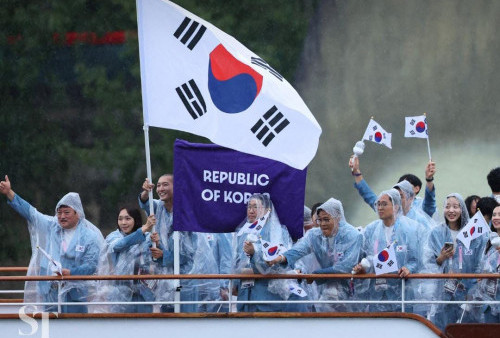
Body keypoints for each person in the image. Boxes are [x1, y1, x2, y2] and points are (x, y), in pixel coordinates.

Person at [0, 175, 104, 313]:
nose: (62, 216)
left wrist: (71, 273)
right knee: (50, 331)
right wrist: (9, 193)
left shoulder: (90, 236)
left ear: (77, 213)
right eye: (59, 212)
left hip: (75, 296)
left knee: (76, 331)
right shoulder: (52, 226)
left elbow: (92, 266)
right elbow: (31, 213)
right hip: (50, 292)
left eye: (66, 212)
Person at [268, 198, 362, 312]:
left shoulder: (353, 235)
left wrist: (317, 274)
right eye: (319, 220)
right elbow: (299, 249)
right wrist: (281, 257)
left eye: (326, 219)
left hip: (351, 290)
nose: (322, 224)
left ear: (338, 218)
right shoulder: (315, 235)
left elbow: (346, 266)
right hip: (323, 289)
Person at [422, 193, 488, 329]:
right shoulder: (436, 233)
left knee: (468, 330)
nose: (451, 210)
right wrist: (441, 258)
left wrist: (472, 290)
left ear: (462, 209)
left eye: (455, 207)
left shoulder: (474, 233)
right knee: (443, 329)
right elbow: (427, 264)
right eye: (447, 207)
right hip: (443, 293)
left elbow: (480, 264)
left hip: (468, 294)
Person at [232, 194, 303, 312]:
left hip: (266, 294)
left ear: (266, 210)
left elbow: (279, 262)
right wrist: (235, 283)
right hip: (245, 292)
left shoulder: (278, 232)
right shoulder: (242, 232)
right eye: (249, 207)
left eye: (255, 207)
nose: (251, 211)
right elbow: (236, 259)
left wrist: (255, 253)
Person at [352, 189, 418, 312]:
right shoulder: (371, 229)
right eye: (378, 204)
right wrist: (362, 267)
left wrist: (408, 268)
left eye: (384, 204)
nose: (380, 208)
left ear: (396, 206)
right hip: (376, 292)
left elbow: (415, 259)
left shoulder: (408, 229)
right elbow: (362, 257)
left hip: (401, 292)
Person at [99, 206, 156, 313]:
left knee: (144, 326)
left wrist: (157, 242)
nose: (123, 222)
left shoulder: (148, 237)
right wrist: (143, 229)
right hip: (120, 293)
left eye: (128, 218)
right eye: (120, 219)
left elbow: (156, 258)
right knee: (120, 327)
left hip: (142, 293)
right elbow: (120, 245)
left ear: (136, 220)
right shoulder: (113, 236)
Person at [349, 156, 437, 217]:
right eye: (398, 189)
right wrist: (356, 172)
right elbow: (369, 196)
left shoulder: (421, 207)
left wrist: (429, 179)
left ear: (416, 189)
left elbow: (430, 202)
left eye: (405, 185)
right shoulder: (390, 206)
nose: (400, 190)